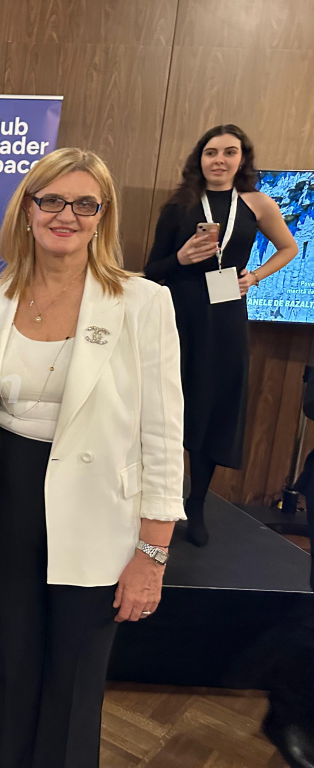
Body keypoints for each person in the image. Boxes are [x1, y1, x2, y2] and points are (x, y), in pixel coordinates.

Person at [0, 147, 185, 768]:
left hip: (99, 516)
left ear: (103, 216)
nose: (67, 215)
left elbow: (164, 433)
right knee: (14, 671)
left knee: (75, 681)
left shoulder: (143, 302)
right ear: (27, 209)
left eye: (85, 204)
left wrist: (153, 552)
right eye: (53, 200)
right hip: (8, 509)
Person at [145, 124, 298, 546]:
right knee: (169, 404)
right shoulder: (179, 204)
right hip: (178, 313)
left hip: (227, 314)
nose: (219, 160)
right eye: (211, 152)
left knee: (213, 408)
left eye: (229, 152)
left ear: (242, 158)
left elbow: (290, 247)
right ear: (200, 158)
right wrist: (180, 258)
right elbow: (151, 270)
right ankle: (160, 499)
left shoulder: (256, 203)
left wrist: (256, 277)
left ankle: (196, 503)